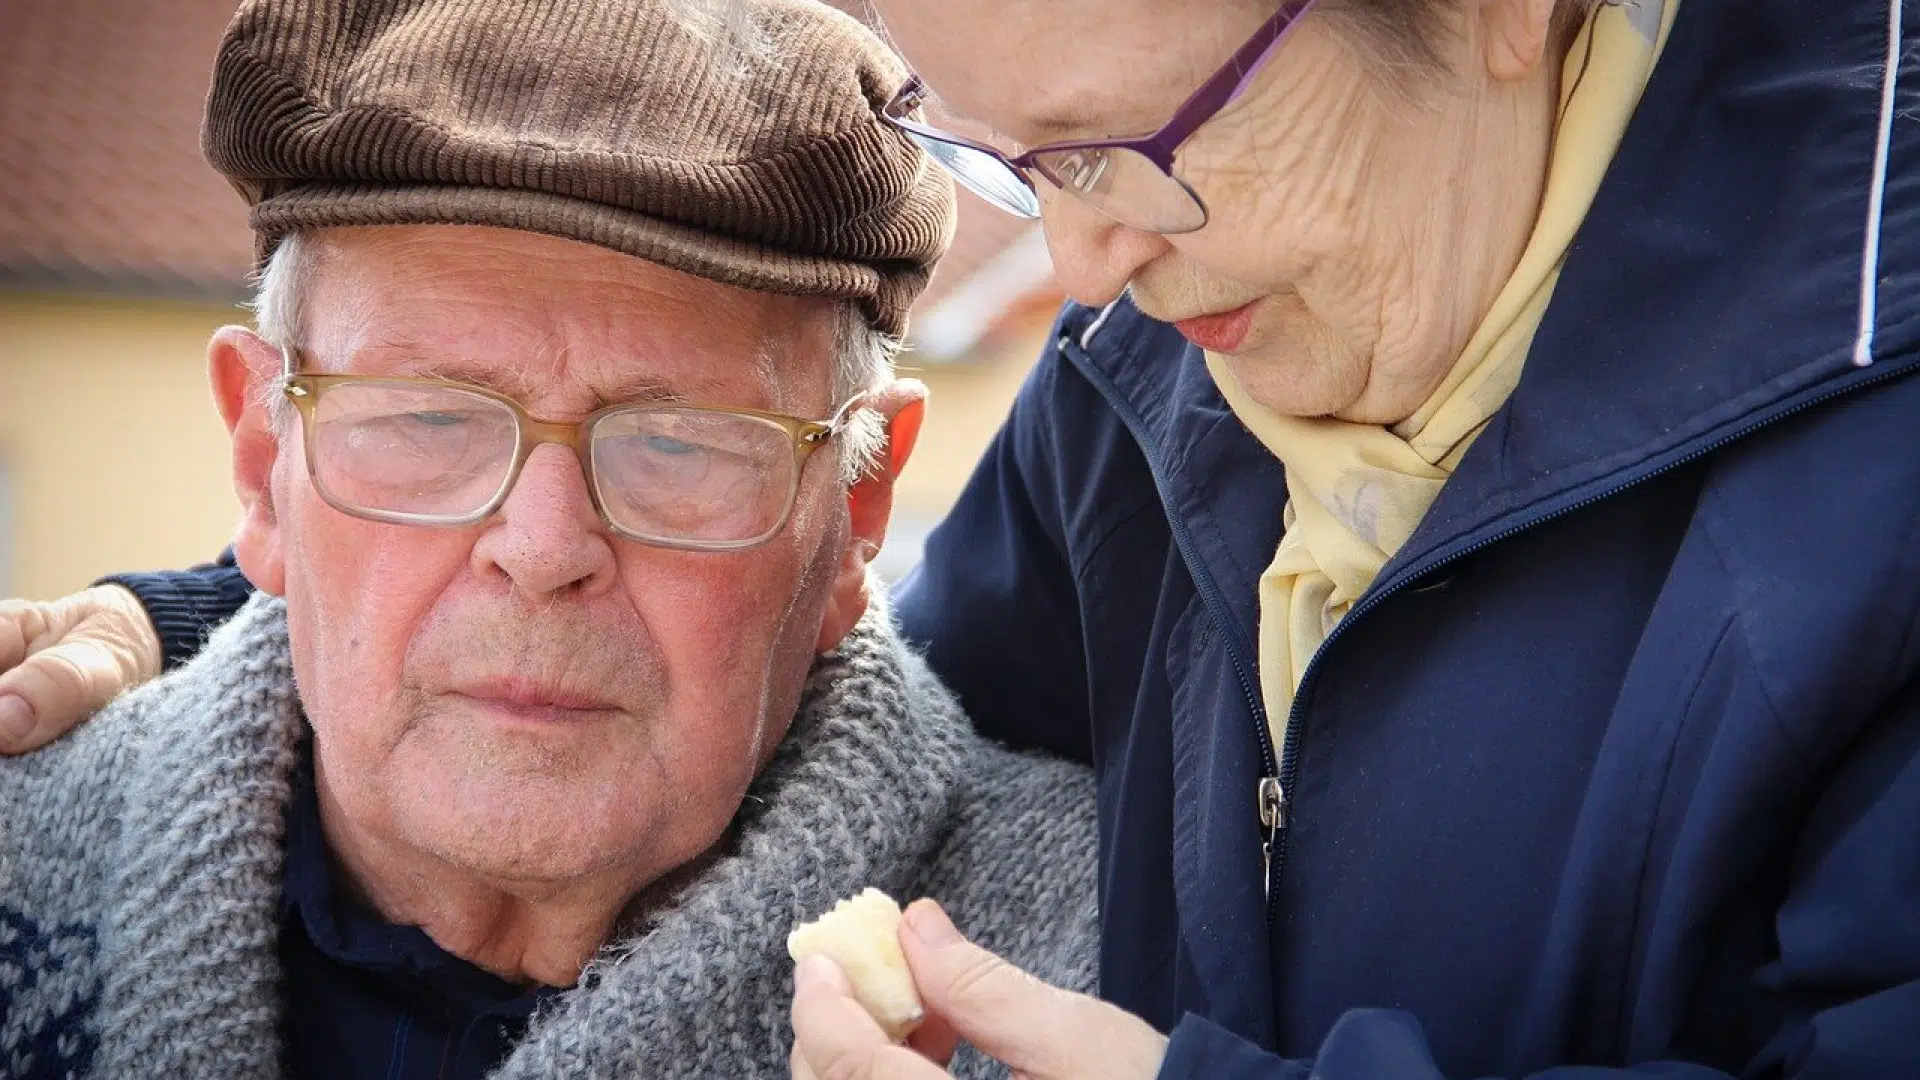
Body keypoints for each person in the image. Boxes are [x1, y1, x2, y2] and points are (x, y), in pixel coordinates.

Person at [7, 0, 1920, 1077]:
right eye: (1017, 165)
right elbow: (786, 662)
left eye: (1134, 143)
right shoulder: (1148, 383)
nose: (1078, 273)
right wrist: (198, 636)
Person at [0, 0, 1100, 1077]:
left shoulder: (1113, 964)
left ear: (856, 508)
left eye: (676, 445)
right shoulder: (19, 857)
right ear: (262, 462)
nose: (540, 547)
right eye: (429, 418)